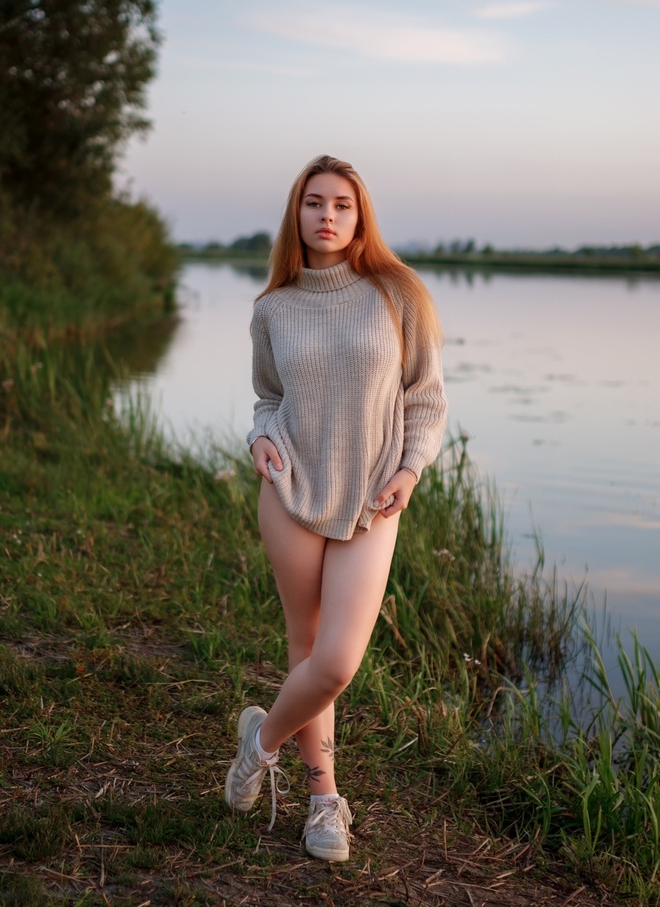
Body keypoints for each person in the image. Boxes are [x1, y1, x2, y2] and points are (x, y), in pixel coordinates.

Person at [224, 154, 449, 862]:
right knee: (306, 645)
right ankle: (324, 803)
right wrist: (261, 438)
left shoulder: (397, 294)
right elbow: (267, 398)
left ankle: (259, 747)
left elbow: (426, 398)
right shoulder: (273, 308)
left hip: (373, 498)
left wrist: (410, 472)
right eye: (314, 203)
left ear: (360, 215)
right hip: (291, 490)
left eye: (342, 205)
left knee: (338, 661)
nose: (327, 215)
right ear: (297, 214)